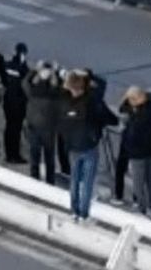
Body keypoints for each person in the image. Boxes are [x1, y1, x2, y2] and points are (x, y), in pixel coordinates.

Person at [58, 70, 119, 221]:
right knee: (87, 182)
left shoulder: (64, 102)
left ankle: (74, 210)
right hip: (89, 146)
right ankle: (83, 213)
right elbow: (102, 89)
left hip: (72, 146)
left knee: (75, 179)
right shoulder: (90, 103)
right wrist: (89, 74)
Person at [116, 86, 151, 216]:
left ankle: (141, 208)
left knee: (138, 182)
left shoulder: (136, 115)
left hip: (137, 152)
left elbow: (132, 133)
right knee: (150, 179)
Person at [25, 61, 63, 185]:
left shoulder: (32, 91)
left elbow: (25, 82)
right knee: (49, 158)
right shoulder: (53, 94)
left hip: (33, 128)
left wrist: (35, 70)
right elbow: (61, 87)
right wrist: (56, 72)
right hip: (48, 129)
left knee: (34, 156)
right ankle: (50, 181)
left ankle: (34, 180)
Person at [0, 42, 30, 164]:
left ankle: (8, 154)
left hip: (7, 100)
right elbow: (28, 82)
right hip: (18, 103)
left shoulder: (7, 65)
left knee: (8, 127)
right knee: (16, 129)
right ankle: (15, 155)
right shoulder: (23, 68)